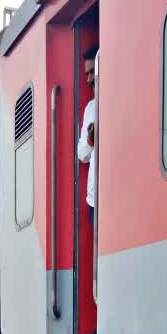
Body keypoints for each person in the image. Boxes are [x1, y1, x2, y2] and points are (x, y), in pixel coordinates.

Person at [76, 44, 99, 224]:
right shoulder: (90, 108)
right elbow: (82, 155)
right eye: (87, 74)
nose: (89, 79)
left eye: (92, 72)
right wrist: (91, 140)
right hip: (94, 200)